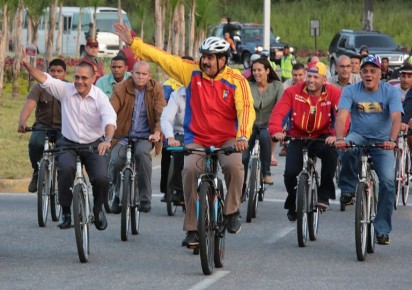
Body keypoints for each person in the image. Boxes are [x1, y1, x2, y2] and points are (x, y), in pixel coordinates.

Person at [113, 24, 255, 246]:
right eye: (203, 57)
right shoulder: (192, 72)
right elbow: (163, 58)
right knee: (189, 170)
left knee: (234, 167)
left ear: (222, 60)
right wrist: (134, 44)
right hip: (197, 138)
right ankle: (192, 229)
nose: (205, 61)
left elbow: (245, 109)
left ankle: (231, 211)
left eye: (210, 57)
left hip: (228, 139)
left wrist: (243, 136)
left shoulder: (237, 80)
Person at [21, 59, 117, 231]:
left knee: (101, 178)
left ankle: (98, 209)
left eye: (84, 78)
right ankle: (66, 212)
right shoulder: (65, 90)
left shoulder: (100, 97)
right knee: (65, 170)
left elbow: (109, 119)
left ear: (93, 78)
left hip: (94, 144)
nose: (80, 82)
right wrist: (27, 65)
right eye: (77, 77)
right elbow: (44, 79)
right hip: (68, 142)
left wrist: (107, 140)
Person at [335, 55, 402, 245]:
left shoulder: (390, 91)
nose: (369, 74)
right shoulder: (350, 90)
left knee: (388, 182)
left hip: (383, 142)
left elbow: (396, 118)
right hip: (359, 135)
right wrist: (340, 138)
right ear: (360, 73)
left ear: (380, 73)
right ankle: (347, 190)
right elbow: (341, 117)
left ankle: (382, 229)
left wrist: (392, 140)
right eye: (365, 71)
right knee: (347, 147)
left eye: (373, 71)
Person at [269, 62, 341, 221]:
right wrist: (276, 131)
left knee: (331, 155)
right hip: (297, 136)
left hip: (322, 137)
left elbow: (342, 117)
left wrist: (336, 135)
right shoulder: (292, 92)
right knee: (289, 174)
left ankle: (324, 195)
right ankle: (294, 199)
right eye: (309, 76)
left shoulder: (334, 93)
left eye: (316, 77)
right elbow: (278, 113)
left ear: (324, 79)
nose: (311, 80)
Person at [109, 61, 165, 214]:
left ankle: (145, 198)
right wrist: (108, 129)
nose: (140, 77)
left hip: (146, 136)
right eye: (137, 73)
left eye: (144, 74)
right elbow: (111, 109)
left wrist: (157, 132)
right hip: (122, 135)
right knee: (115, 161)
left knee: (142, 154)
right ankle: (116, 194)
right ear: (131, 74)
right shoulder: (121, 88)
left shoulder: (156, 89)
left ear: (149, 76)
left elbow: (161, 114)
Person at [18, 59, 66, 192]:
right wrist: (22, 121)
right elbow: (30, 104)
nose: (56, 74)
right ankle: (36, 171)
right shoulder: (40, 87)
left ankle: (64, 182)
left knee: (65, 153)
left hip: (63, 128)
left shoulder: (69, 88)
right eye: (53, 71)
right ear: (48, 72)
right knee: (35, 144)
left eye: (59, 71)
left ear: (65, 73)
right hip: (42, 126)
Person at [243, 57, 283, 188]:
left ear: (267, 70)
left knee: (265, 137)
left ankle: (266, 173)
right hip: (249, 125)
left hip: (268, 124)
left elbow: (280, 108)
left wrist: (278, 128)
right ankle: (241, 182)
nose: (256, 73)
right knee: (243, 156)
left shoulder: (277, 86)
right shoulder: (247, 85)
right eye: (253, 70)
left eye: (259, 70)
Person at [160, 85, 186, 203]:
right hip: (180, 132)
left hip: (203, 134)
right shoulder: (176, 95)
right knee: (175, 151)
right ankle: (176, 189)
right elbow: (166, 118)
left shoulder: (209, 91)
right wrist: (170, 137)